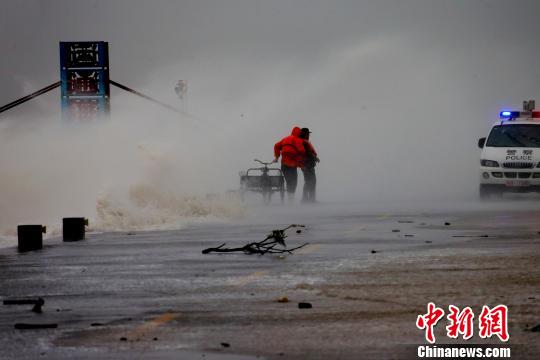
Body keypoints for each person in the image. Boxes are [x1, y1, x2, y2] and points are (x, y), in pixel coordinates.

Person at [274, 126, 306, 202]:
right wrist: (302, 163)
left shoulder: (285, 139)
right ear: (299, 133)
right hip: (291, 165)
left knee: (289, 181)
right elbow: (301, 151)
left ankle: (289, 200)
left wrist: (277, 157)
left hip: (284, 164)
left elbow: (276, 146)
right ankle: (290, 201)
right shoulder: (297, 140)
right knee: (293, 182)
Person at [299, 127, 319, 203]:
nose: (309, 135)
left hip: (305, 164)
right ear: (305, 134)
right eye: (308, 134)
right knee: (311, 181)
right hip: (307, 164)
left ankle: (307, 199)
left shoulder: (302, 141)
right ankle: (309, 200)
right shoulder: (304, 142)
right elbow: (308, 152)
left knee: (308, 181)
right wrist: (315, 158)